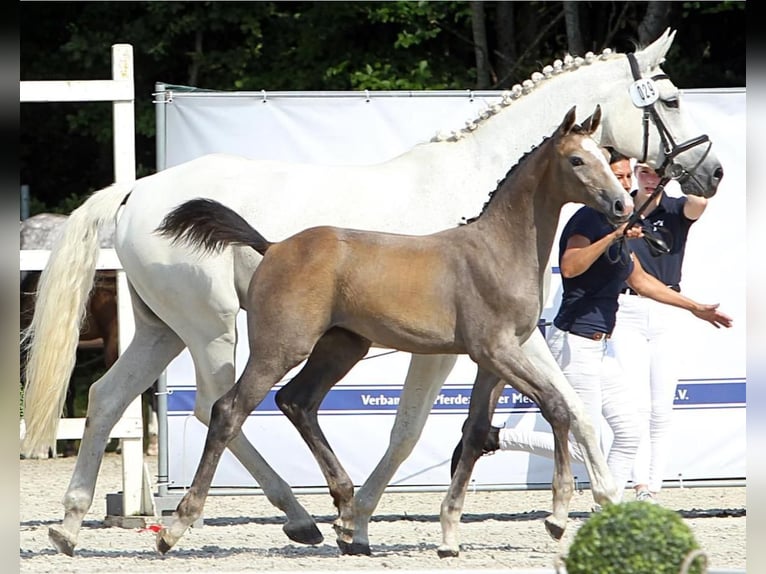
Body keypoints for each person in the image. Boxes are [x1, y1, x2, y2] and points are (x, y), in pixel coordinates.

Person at [451, 150, 732, 503]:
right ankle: (494, 438)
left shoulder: (618, 226)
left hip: (602, 346)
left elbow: (643, 282)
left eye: (629, 177)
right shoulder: (588, 220)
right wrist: (614, 239)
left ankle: (608, 510)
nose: (626, 184)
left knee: (629, 431)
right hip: (574, 340)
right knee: (584, 445)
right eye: (621, 177)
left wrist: (695, 308)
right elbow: (570, 267)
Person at [609, 162, 709, 504]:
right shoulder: (619, 206)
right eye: (646, 172)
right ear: (636, 173)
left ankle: (654, 483)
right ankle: (638, 485)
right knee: (633, 403)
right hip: (627, 308)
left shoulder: (675, 207)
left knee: (661, 405)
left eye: (658, 173)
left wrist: (678, 171)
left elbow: (702, 202)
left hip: (668, 306)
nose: (652, 180)